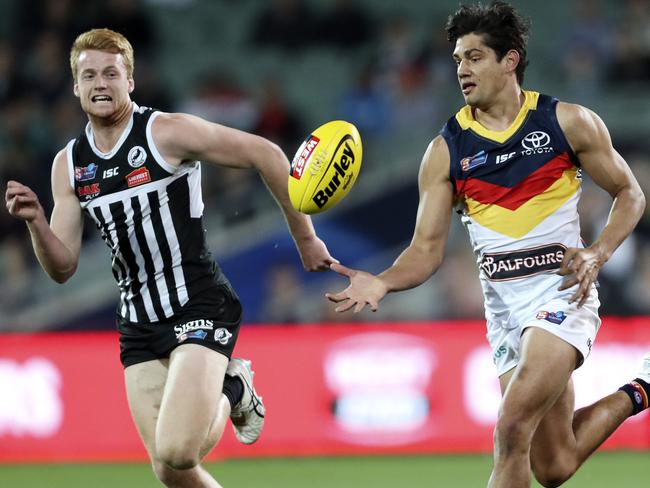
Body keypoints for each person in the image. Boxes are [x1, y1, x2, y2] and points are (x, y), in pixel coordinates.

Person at [326, 2, 648, 487]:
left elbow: (630, 193)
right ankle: (644, 387)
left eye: (475, 57)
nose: (462, 69)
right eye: (457, 59)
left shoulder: (568, 122)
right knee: (554, 465)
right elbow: (426, 250)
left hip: (561, 295)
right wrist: (384, 282)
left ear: (510, 60)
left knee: (511, 426)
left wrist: (597, 252)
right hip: (504, 312)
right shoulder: (446, 151)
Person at [5, 28, 335, 488]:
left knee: (178, 449)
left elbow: (266, 152)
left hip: (197, 303)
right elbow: (62, 268)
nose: (100, 83)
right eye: (89, 75)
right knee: (170, 470)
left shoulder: (166, 133)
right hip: (138, 323)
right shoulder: (70, 165)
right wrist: (37, 222)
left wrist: (306, 239)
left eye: (111, 73)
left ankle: (233, 387)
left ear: (131, 81)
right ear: (75, 87)